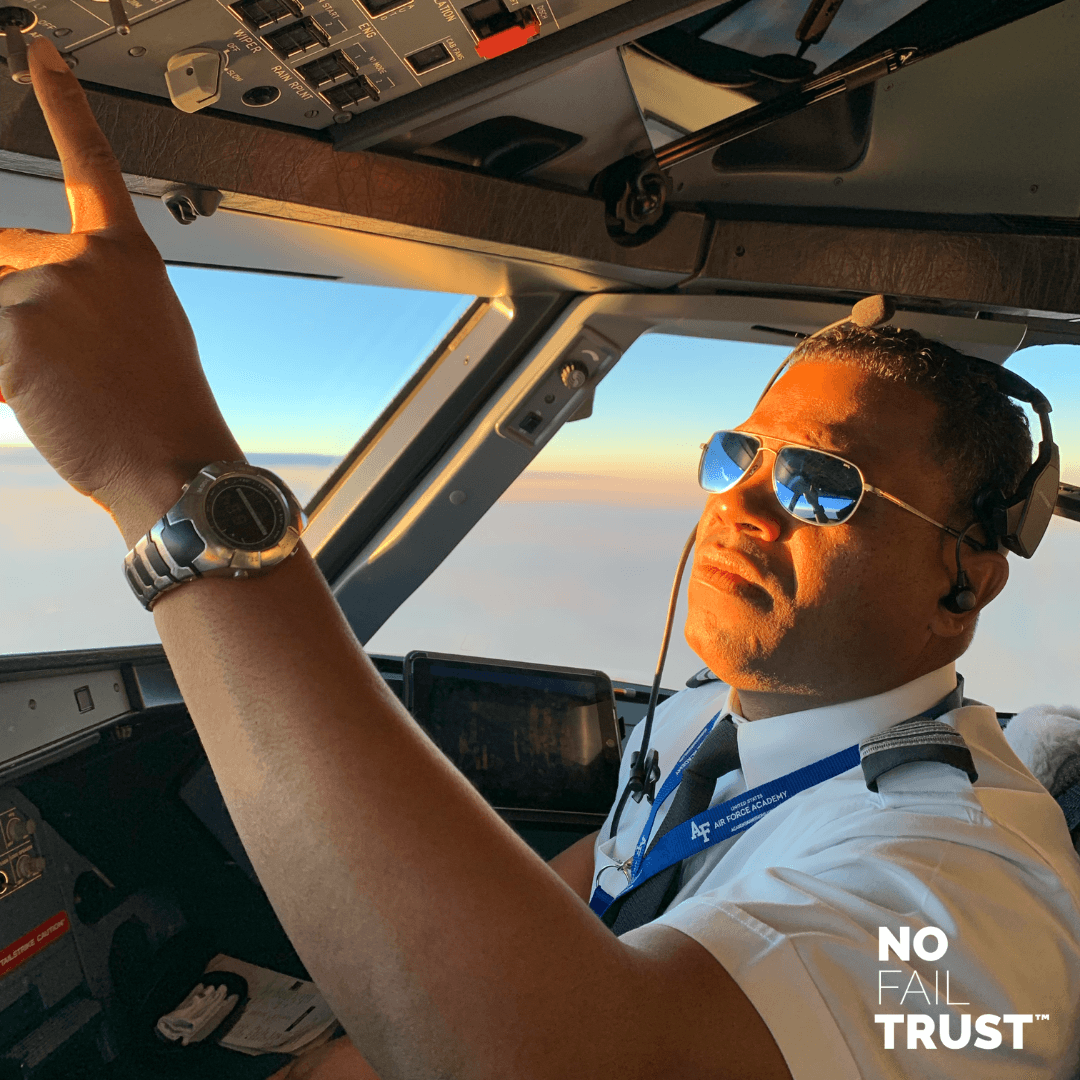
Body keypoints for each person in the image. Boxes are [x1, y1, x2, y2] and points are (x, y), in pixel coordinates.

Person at [2, 38, 1079, 1080]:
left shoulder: (968, 898)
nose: (745, 499)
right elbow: (604, 884)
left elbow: (572, 1065)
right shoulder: (709, 717)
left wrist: (168, 475)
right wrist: (354, 1054)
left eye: (821, 485)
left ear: (964, 578)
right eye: (742, 453)